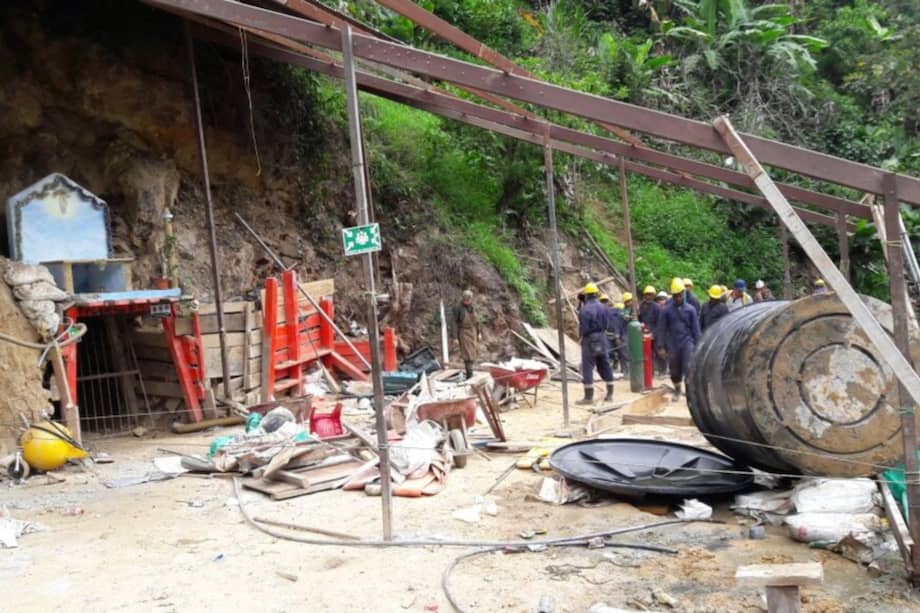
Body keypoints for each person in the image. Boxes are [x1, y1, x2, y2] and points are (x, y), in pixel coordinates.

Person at [657, 277, 701, 402]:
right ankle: (677, 389)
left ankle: (690, 393)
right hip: (673, 343)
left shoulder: (690, 310)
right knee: (674, 370)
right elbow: (661, 328)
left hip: (687, 342)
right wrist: (661, 347)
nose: (678, 298)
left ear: (683, 293)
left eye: (679, 295)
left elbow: (696, 330)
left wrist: (698, 346)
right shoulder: (666, 310)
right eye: (675, 296)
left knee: (688, 367)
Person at [577, 283, 615, 405]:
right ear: (597, 294)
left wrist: (582, 337)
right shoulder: (604, 307)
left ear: (587, 295)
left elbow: (583, 328)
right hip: (602, 338)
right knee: (605, 363)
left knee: (587, 367)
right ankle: (610, 394)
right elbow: (607, 324)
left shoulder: (584, 310)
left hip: (589, 339)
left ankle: (588, 397)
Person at [453, 289, 481, 379]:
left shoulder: (473, 307)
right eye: (465, 300)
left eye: (469, 300)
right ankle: (469, 375)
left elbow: (477, 321)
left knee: (473, 353)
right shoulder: (458, 308)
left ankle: (470, 372)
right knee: (467, 355)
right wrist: (455, 337)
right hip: (464, 332)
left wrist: (479, 332)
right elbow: (454, 323)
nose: (467, 302)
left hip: (473, 332)